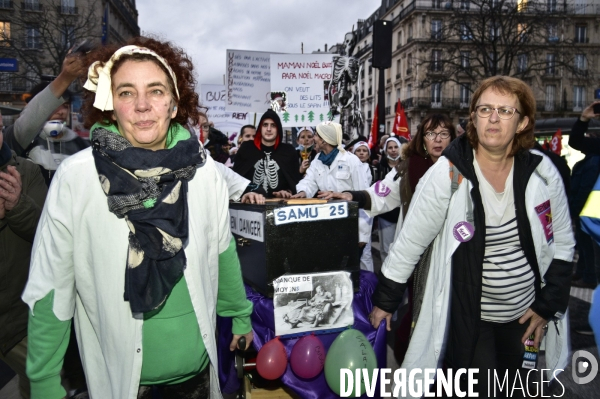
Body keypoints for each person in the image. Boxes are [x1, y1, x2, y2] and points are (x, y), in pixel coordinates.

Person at [22, 37, 254, 399]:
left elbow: (221, 251)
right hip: (121, 382)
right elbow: (51, 288)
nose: (143, 105)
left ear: (174, 104)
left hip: (196, 380)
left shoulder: (205, 171)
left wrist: (239, 314)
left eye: (156, 91)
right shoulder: (77, 178)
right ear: (110, 105)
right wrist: (43, 382)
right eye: (127, 92)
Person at [369, 76, 574, 396]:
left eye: (506, 111)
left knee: (519, 389)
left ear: (522, 123)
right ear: (473, 118)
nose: (493, 117)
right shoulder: (449, 172)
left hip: (525, 319)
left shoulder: (542, 171)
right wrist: (385, 300)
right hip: (469, 319)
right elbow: (410, 240)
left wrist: (548, 305)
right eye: (485, 109)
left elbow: (562, 243)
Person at [0, 111, 48, 399]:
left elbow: (46, 236)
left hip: (19, 317)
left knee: (40, 382)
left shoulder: (26, 171)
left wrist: (18, 206)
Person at [2, 55, 89, 186]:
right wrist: (65, 77)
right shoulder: (22, 138)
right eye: (54, 106)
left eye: (65, 106)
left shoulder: (79, 143)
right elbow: (32, 119)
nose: (61, 111)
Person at [233, 109, 301, 198]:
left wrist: (288, 191)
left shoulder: (288, 151)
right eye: (265, 125)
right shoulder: (247, 149)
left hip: (280, 205)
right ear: (260, 128)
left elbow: (295, 182)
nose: (269, 129)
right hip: (250, 206)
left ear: (278, 129)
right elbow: (235, 180)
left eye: (273, 125)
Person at [352, 141, 375, 272]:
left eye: (364, 150)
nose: (361, 153)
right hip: (353, 211)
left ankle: (368, 284)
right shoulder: (351, 168)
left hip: (366, 211)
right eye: (358, 150)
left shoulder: (372, 169)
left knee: (366, 252)